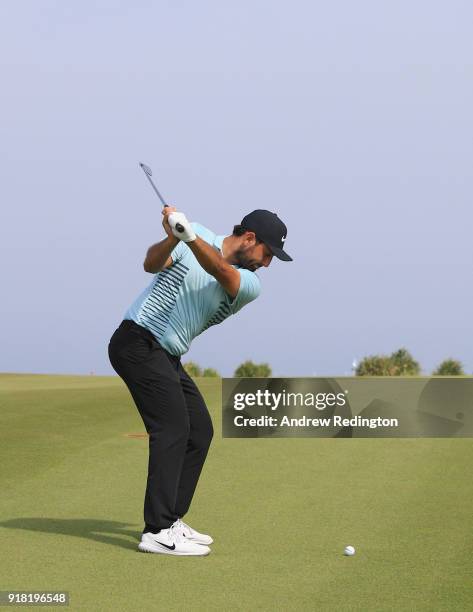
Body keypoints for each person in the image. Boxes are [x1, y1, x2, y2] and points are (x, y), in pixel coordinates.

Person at [108, 206, 292, 556]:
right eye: (267, 254)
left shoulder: (249, 283)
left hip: (165, 355)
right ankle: (158, 530)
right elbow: (150, 264)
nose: (267, 264)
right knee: (174, 427)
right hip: (137, 342)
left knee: (199, 431)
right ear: (249, 239)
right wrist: (171, 237)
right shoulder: (197, 235)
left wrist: (187, 236)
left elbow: (219, 268)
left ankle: (171, 519)